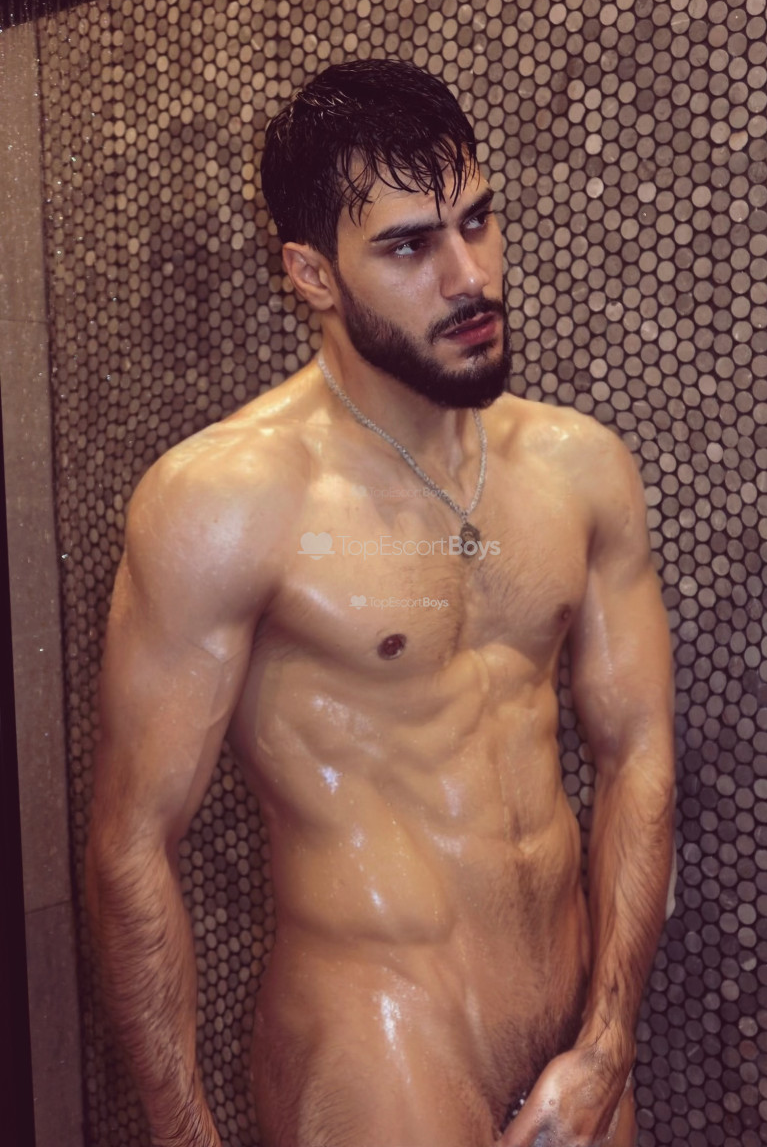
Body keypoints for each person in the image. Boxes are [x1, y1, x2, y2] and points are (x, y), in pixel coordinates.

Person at [86, 57, 676, 1147]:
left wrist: (606, 1044)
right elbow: (131, 843)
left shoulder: (580, 467)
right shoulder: (227, 500)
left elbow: (637, 750)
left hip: (572, 1045)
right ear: (311, 275)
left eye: (477, 220)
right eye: (409, 247)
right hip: (374, 1040)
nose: (470, 276)